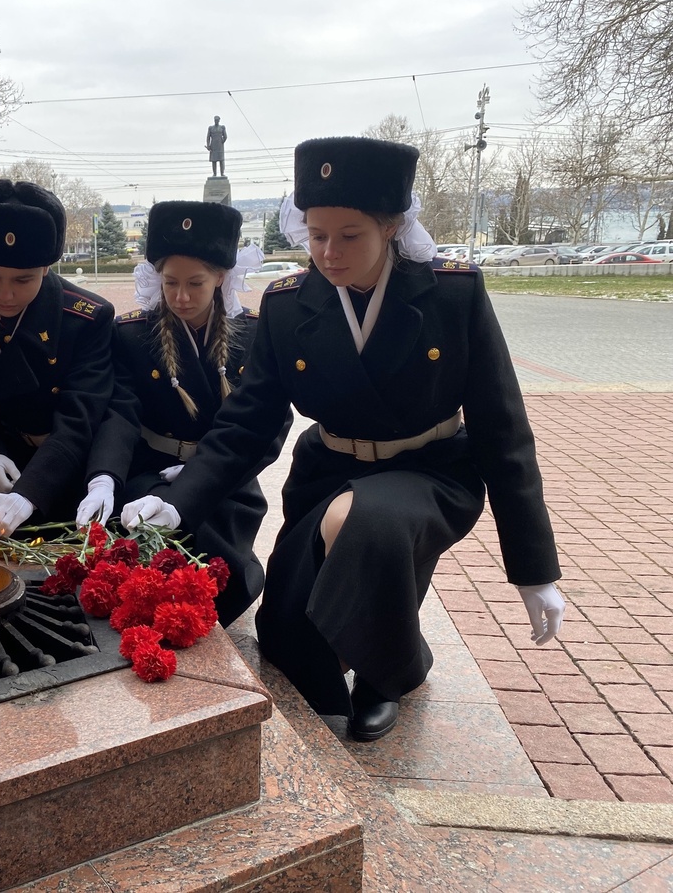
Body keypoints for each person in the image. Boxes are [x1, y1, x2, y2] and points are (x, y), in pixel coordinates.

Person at [122, 137, 565, 741]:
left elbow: (504, 427)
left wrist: (534, 567)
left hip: (431, 469)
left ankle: (389, 676)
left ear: (391, 227)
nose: (328, 253)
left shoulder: (451, 295)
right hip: (328, 470)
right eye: (315, 234)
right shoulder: (288, 304)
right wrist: (182, 501)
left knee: (365, 522)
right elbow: (248, 420)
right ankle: (379, 645)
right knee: (286, 639)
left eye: (349, 235)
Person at [76, 200, 287, 626]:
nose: (182, 297)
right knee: (134, 536)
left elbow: (271, 424)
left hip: (226, 478)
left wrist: (198, 474)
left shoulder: (256, 332)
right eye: (170, 282)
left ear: (221, 277)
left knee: (208, 550)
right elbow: (121, 413)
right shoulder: (135, 334)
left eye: (196, 283)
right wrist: (104, 478)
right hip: (151, 467)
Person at [0, 179, 115, 537]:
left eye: (23, 280)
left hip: (59, 471)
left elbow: (80, 417)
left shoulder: (85, 319)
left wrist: (30, 492)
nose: (4, 294)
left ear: (47, 269)